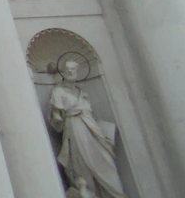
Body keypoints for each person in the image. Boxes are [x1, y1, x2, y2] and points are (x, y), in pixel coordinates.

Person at [47, 59, 126, 198]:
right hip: (75, 129)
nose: (71, 72)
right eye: (68, 69)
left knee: (106, 162)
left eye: (74, 69)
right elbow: (56, 117)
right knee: (82, 166)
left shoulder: (82, 93)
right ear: (63, 72)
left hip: (93, 129)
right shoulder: (58, 91)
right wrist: (59, 117)